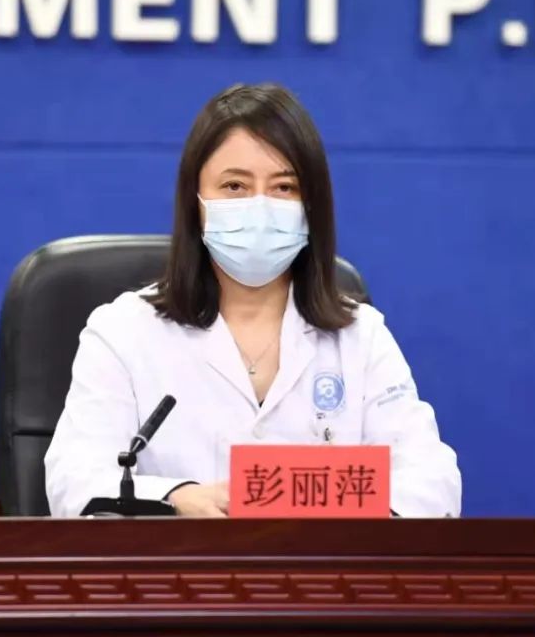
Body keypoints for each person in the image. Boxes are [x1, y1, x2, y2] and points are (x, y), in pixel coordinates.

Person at [44, 83, 461, 518]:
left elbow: (433, 483)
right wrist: (175, 497)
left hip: (324, 562)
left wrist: (335, 512)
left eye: (284, 187)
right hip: (179, 561)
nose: (260, 207)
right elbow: (75, 481)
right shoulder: (123, 332)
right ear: (196, 202)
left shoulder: (361, 337)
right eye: (235, 186)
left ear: (312, 205)